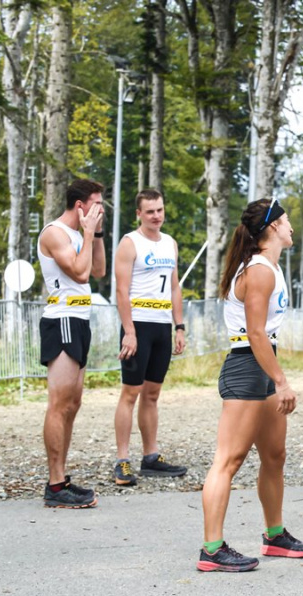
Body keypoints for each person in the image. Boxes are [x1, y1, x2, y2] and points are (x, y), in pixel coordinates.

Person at [196, 198, 303, 572]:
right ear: (273, 227)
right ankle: (212, 549)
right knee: (228, 461)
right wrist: (281, 381)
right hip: (247, 366)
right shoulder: (260, 271)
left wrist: (275, 376)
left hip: (261, 364)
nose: (292, 226)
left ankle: (274, 535)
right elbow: (256, 333)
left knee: (274, 455)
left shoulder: (270, 268)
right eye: (286, 220)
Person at [38, 178, 108, 508]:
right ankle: (55, 485)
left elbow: (98, 270)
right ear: (80, 206)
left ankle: (61, 479)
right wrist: (89, 232)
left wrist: (97, 233)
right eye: (97, 204)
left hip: (80, 320)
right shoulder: (54, 233)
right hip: (62, 318)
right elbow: (79, 274)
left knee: (73, 404)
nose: (101, 209)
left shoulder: (81, 235)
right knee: (59, 403)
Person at [112, 189, 188, 486]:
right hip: (138, 325)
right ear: (139, 214)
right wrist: (129, 331)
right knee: (130, 393)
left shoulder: (170, 243)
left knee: (152, 394)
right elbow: (121, 290)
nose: (156, 215)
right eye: (150, 211)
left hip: (161, 325)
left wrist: (179, 326)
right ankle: (122, 460)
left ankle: (150, 457)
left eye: (159, 210)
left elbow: (174, 286)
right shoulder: (130, 243)